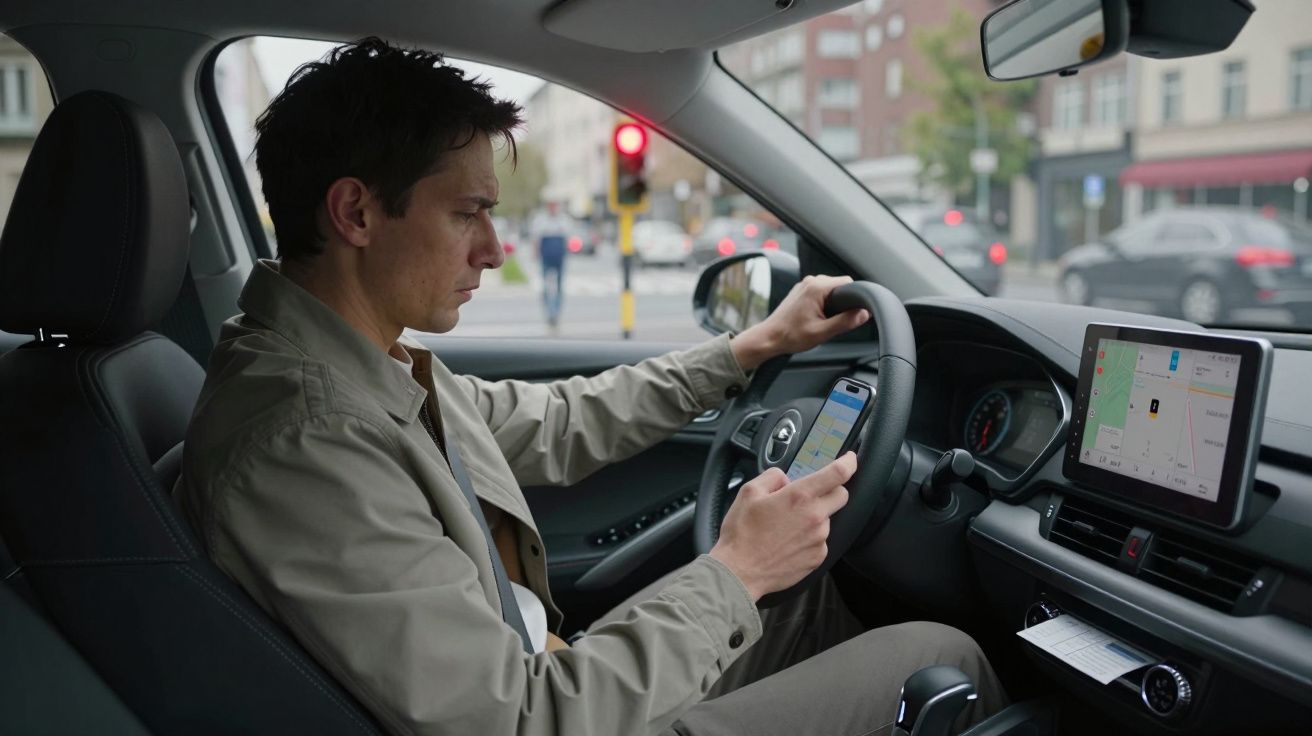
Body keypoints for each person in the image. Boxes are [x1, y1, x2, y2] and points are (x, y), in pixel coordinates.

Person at [174, 37, 1005, 736]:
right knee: (942, 659)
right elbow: (520, 721)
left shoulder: (363, 365)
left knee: (801, 605)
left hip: (550, 683)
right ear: (356, 213)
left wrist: (751, 348)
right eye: (467, 213)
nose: (495, 249)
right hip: (550, 715)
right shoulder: (307, 438)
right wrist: (737, 569)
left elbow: (561, 421)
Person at [531, 201, 571, 328]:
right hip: (546, 257)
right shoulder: (541, 221)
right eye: (551, 205)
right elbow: (536, 239)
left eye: (555, 205)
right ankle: (549, 311)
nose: (553, 208)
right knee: (545, 286)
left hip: (559, 257)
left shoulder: (564, 220)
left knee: (559, 286)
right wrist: (535, 253)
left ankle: (556, 312)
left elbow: (567, 240)